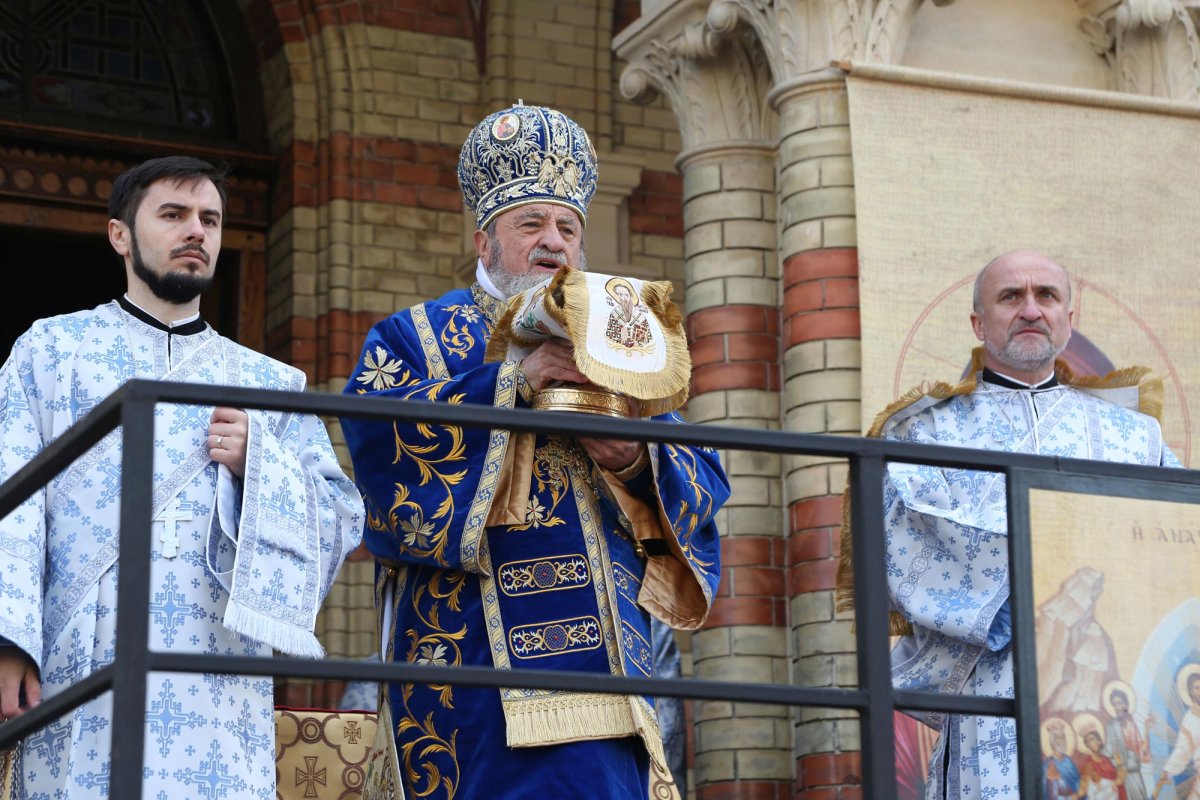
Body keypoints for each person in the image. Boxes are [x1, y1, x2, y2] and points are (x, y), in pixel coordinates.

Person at [340, 103, 728, 800]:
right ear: (484, 239)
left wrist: (631, 460)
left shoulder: (621, 338)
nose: (554, 242)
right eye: (532, 224)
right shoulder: (412, 337)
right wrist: (512, 383)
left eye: (568, 228)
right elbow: (381, 452)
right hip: (470, 668)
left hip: (604, 675)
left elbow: (703, 480)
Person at [0, 155, 364, 797]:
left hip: (217, 669)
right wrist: (9, 643)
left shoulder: (269, 384)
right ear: (120, 235)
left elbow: (340, 519)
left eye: (210, 219)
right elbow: (10, 499)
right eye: (173, 214)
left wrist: (262, 465)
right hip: (80, 658)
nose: (196, 231)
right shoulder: (50, 352)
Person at [842, 249, 1181, 799]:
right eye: (1010, 297)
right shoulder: (925, 434)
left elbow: (1172, 545)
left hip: (1109, 679)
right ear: (979, 323)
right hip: (993, 679)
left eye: (1046, 296)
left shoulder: (1132, 436)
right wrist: (1052, 575)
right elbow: (901, 543)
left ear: (1070, 318)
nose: (1030, 309)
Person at [1156, 668, 1200, 799]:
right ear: (1191, 692)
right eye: (1197, 688)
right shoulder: (1189, 719)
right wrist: (1167, 771)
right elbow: (1183, 749)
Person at [1104, 687, 1151, 800]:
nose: (1117, 707)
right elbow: (1108, 752)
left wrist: (1147, 729)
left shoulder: (1134, 724)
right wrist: (1119, 766)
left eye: (1119, 703)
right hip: (1123, 776)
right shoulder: (1112, 725)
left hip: (1136, 774)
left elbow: (1143, 750)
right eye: (1114, 704)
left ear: (1126, 704)